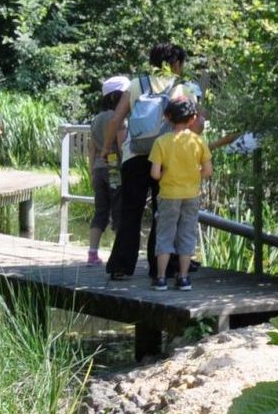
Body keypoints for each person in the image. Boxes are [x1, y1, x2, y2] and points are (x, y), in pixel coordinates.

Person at [105, 44, 202, 280]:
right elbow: (196, 125)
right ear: (176, 64)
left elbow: (117, 118)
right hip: (167, 159)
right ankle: (161, 267)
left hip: (134, 155)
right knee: (164, 214)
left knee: (130, 211)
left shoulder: (136, 84)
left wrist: (106, 148)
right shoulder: (182, 88)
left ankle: (121, 266)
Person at [149, 97, 211, 290]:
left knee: (165, 234)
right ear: (193, 118)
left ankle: (160, 278)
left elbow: (154, 173)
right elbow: (208, 171)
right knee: (187, 234)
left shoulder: (161, 142)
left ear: (168, 117)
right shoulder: (198, 141)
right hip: (191, 194)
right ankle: (183, 277)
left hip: (168, 194)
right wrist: (193, 175)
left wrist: (166, 174)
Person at [86, 76, 128, 266]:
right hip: (114, 171)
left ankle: (92, 253)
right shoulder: (119, 120)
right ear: (116, 97)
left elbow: (92, 149)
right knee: (118, 211)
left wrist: (91, 172)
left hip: (99, 169)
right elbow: (121, 147)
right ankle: (119, 254)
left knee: (100, 211)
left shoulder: (96, 120)